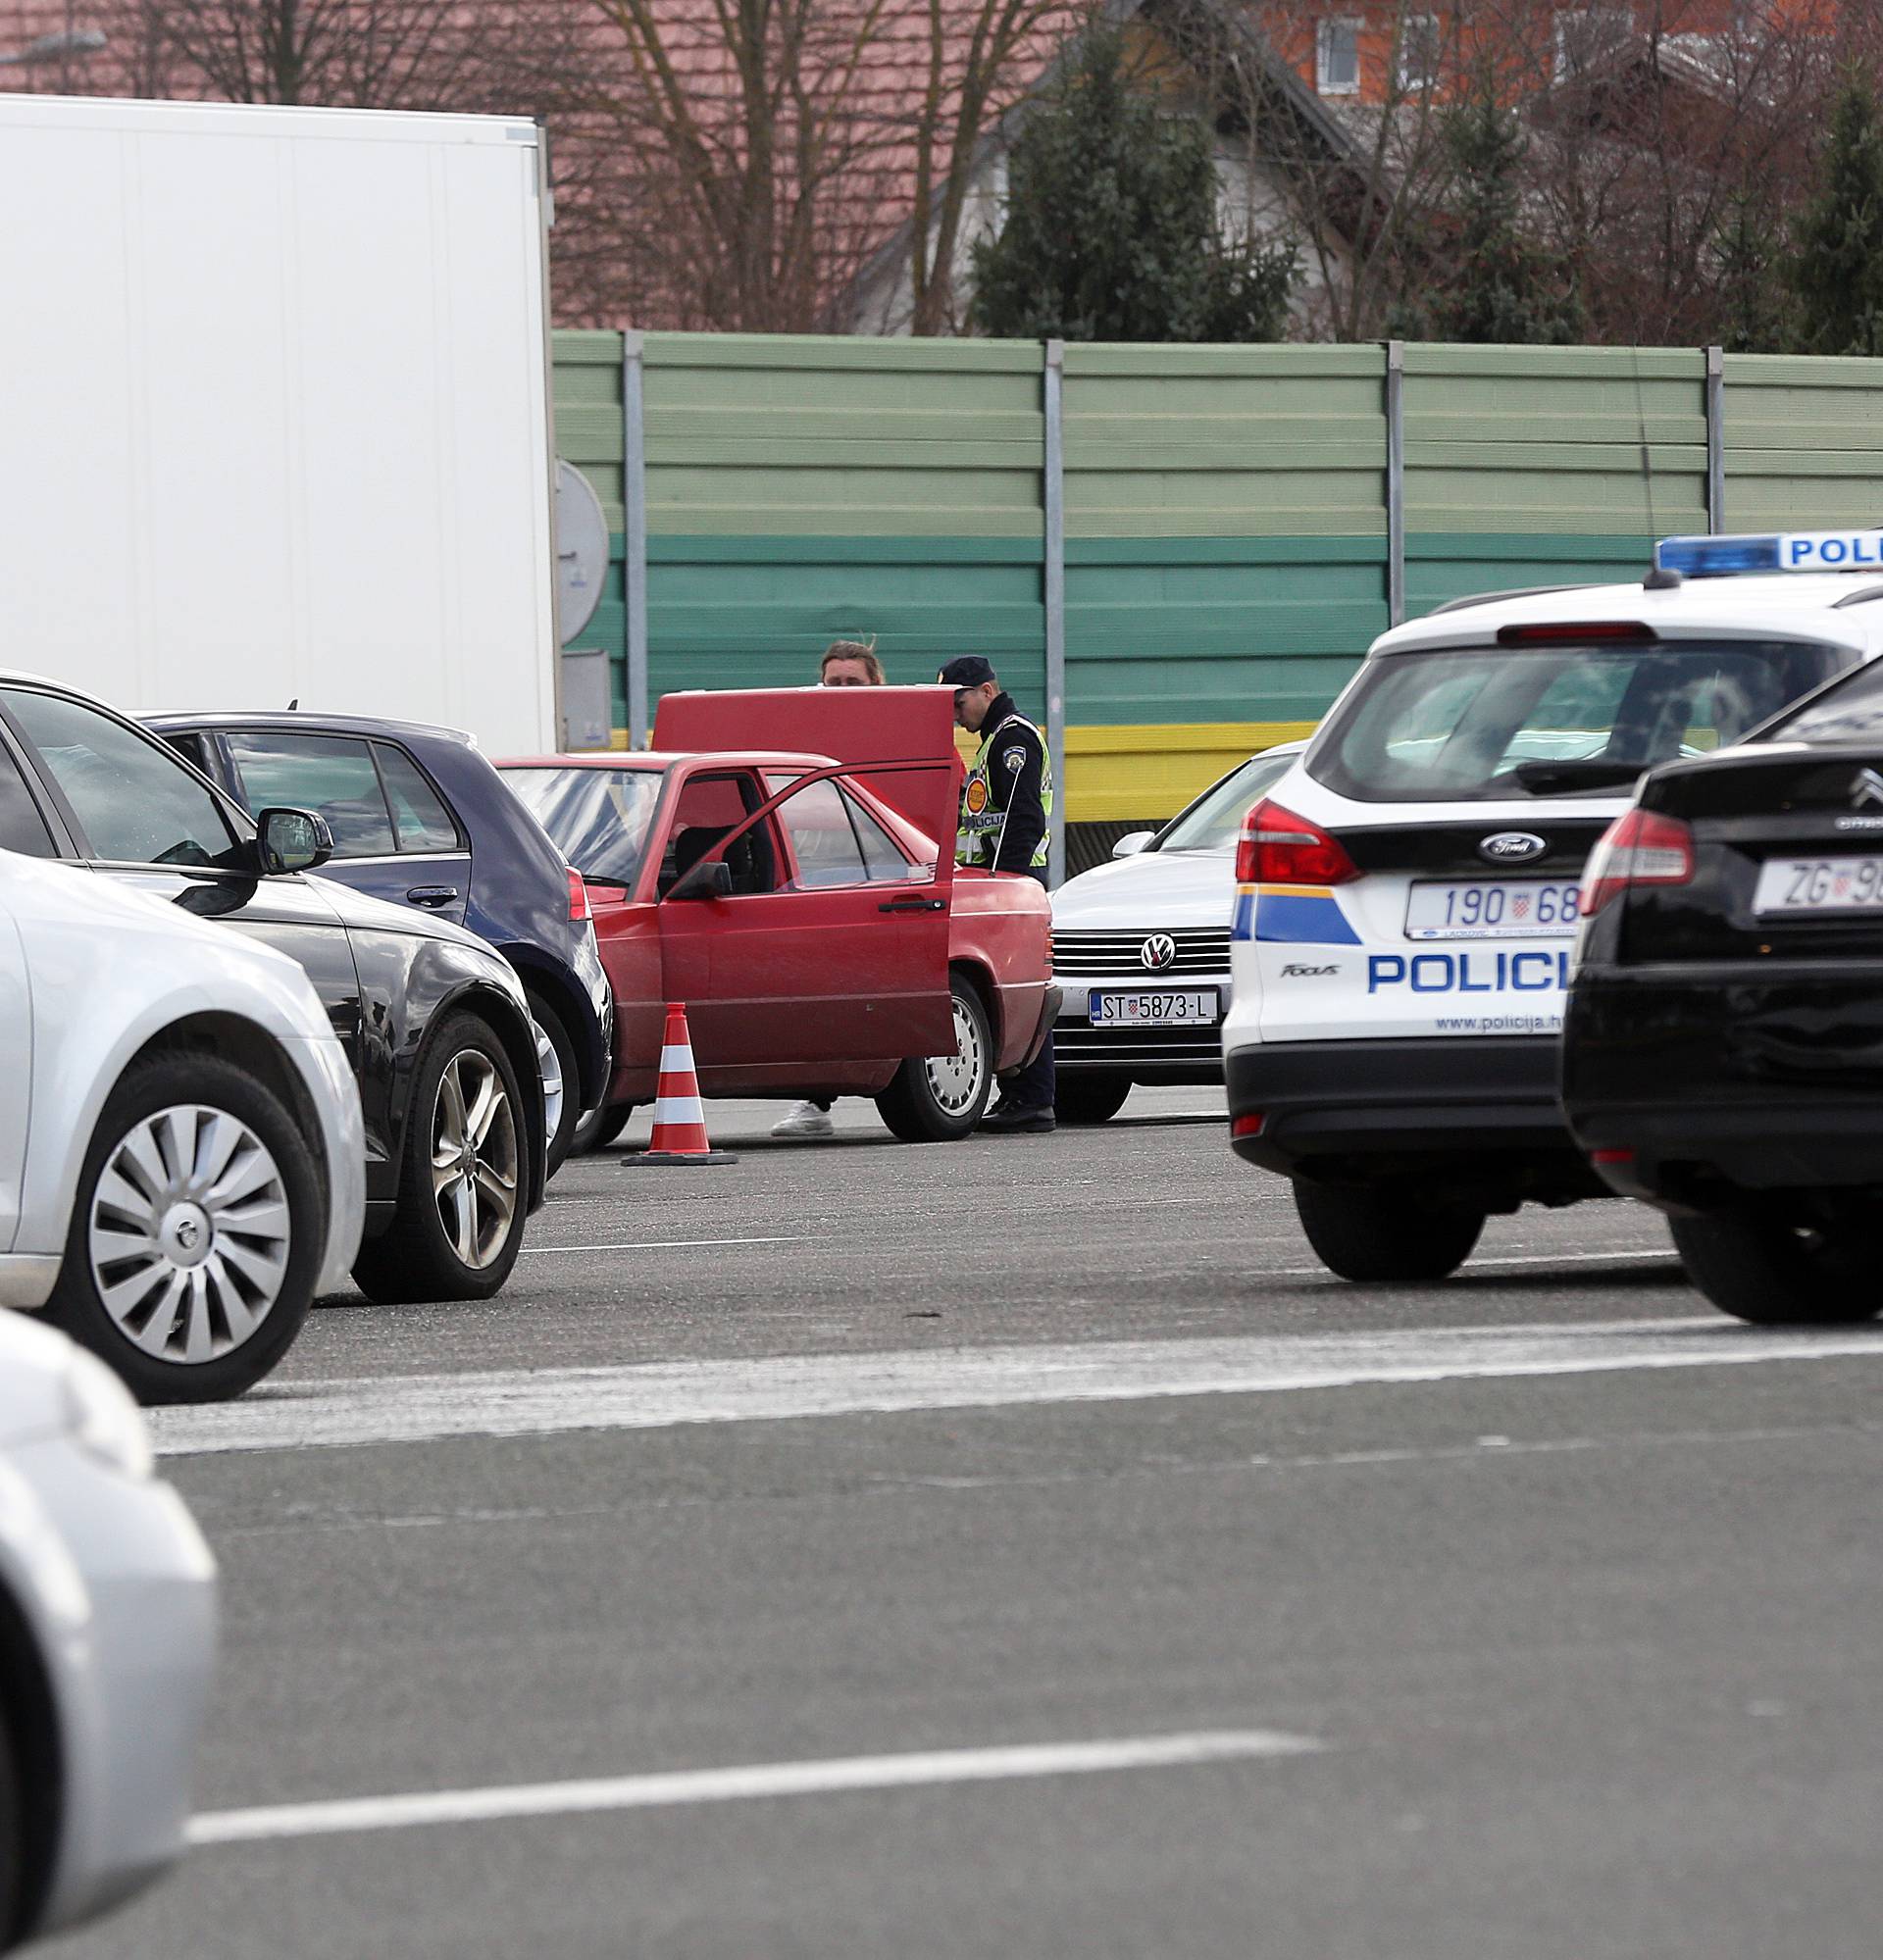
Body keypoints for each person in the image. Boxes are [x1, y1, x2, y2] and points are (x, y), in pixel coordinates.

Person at [772, 639, 887, 1138]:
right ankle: (813, 1101)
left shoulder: (895, 732)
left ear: (875, 686)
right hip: (820, 875)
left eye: (851, 682)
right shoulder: (804, 732)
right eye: (833, 682)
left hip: (882, 875)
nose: (840, 691)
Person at [937, 654, 1056, 1134]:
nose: (954, 713)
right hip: (1000, 882)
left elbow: (1023, 819)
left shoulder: (1012, 737)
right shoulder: (994, 740)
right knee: (1012, 986)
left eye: (959, 701)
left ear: (987, 690)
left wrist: (1003, 884)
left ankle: (1032, 1099)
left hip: (1011, 882)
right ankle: (1025, 1096)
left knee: (1020, 985)